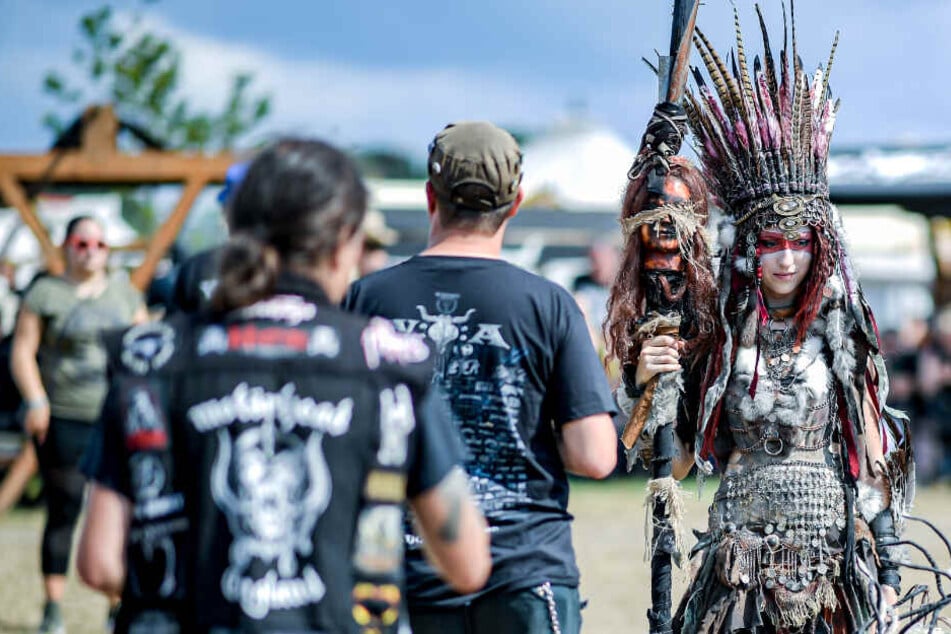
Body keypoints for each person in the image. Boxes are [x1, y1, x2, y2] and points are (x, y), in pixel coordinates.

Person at [76, 137, 490, 633]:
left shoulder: (150, 360)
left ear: (236, 229)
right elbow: (468, 563)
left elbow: (100, 563)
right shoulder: (390, 365)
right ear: (343, 241)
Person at [609, 8, 916, 633]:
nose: (784, 257)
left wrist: (885, 573)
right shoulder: (715, 331)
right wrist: (648, 380)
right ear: (750, 246)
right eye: (770, 240)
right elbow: (670, 462)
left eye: (798, 241)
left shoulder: (844, 328)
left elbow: (873, 454)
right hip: (736, 568)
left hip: (831, 565)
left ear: (819, 245)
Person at [345, 121, 618, 634]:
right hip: (524, 571)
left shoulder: (365, 299)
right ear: (514, 204)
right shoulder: (550, 305)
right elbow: (595, 455)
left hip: (405, 575)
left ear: (431, 195)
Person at [9, 215, 146, 634]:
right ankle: (53, 610)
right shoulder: (46, 293)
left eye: (99, 245)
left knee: (122, 515)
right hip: (63, 417)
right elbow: (22, 350)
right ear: (67, 246)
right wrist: (35, 399)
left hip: (114, 417)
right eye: (82, 243)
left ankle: (116, 606)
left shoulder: (126, 295)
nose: (90, 252)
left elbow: (145, 350)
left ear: (108, 251)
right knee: (64, 508)